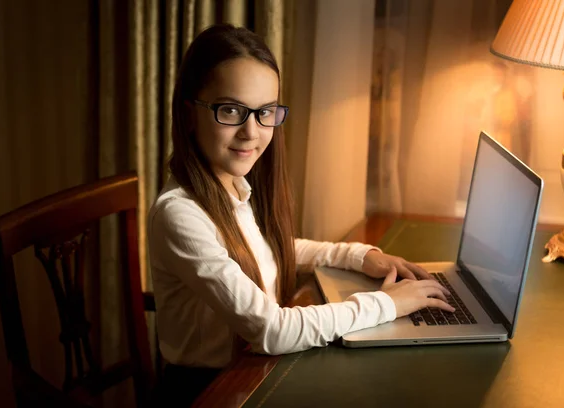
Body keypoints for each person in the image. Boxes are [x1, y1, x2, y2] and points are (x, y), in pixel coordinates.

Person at [148, 23, 454, 406]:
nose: (251, 131)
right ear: (190, 112)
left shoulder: (230, 184)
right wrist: (389, 304)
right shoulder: (180, 214)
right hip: (209, 391)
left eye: (265, 112)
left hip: (251, 371)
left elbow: (267, 251)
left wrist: (360, 257)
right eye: (230, 110)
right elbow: (272, 329)